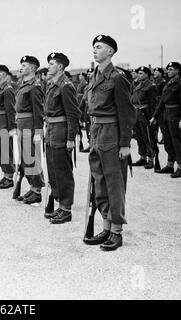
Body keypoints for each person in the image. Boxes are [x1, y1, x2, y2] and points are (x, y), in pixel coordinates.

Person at [83, 35, 136, 251]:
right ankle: (106, 227)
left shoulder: (117, 78)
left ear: (111, 52)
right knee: (100, 181)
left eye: (99, 47)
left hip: (111, 134)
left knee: (115, 183)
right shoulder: (94, 75)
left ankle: (116, 232)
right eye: (93, 47)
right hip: (96, 132)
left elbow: (127, 112)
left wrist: (125, 143)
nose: (95, 50)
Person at [43, 52, 81, 224]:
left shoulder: (66, 86)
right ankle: (59, 204)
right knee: (52, 168)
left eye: (51, 64)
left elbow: (73, 114)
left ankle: (66, 208)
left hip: (61, 131)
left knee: (62, 170)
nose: (49, 66)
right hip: (51, 130)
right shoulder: (52, 85)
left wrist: (71, 138)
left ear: (59, 66)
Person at [14, 55, 45, 204]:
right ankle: (32, 187)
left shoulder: (35, 87)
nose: (22, 67)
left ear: (33, 68)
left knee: (32, 158)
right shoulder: (23, 85)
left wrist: (38, 133)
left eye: (25, 65)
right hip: (22, 124)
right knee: (25, 159)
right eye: (21, 64)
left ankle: (37, 190)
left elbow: (38, 111)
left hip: (30, 125)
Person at [150, 62, 181, 178]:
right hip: (166, 115)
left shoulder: (180, 84)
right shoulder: (168, 83)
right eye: (168, 69)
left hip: (175, 115)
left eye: (171, 69)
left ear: (177, 70)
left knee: (177, 142)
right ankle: (170, 165)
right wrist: (155, 116)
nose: (169, 71)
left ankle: (180, 168)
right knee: (168, 141)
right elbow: (162, 101)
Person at [0, 64, 16, 189]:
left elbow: (10, 110)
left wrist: (12, 127)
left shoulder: (7, 89)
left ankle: (9, 176)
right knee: (0, 149)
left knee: (6, 149)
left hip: (4, 122)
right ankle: (5, 174)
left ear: (4, 74)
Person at [131, 66, 157, 169]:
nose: (138, 75)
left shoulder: (151, 86)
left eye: (141, 73)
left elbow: (153, 103)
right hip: (137, 113)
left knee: (148, 137)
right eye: (138, 73)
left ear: (147, 74)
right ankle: (142, 157)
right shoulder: (137, 85)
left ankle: (151, 159)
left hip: (145, 114)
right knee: (139, 136)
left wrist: (153, 117)